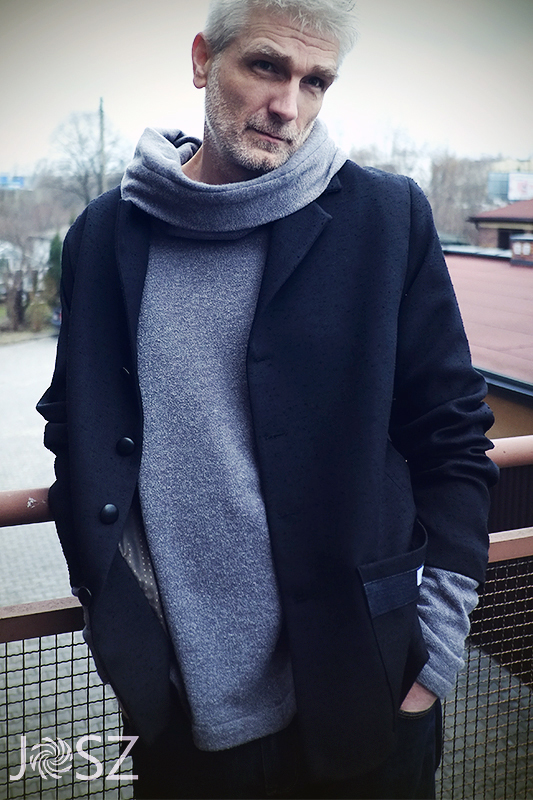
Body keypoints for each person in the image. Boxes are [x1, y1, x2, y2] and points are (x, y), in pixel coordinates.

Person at [38, 0, 498, 797]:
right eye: (265, 66)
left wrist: (436, 652)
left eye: (315, 81)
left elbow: (452, 436)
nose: (288, 104)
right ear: (201, 60)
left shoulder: (383, 219)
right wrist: (114, 603)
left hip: (370, 688)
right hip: (181, 712)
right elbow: (73, 422)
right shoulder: (104, 234)